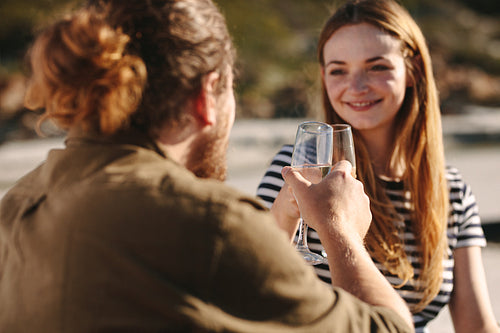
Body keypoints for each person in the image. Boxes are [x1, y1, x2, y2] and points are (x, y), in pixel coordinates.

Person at [0, 0, 415, 332]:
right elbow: (389, 328)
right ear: (207, 96)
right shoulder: (210, 222)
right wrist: (342, 230)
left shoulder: (17, 204)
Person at [257, 0, 499, 332]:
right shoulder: (297, 169)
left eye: (376, 67)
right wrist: (285, 217)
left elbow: (477, 326)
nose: (356, 87)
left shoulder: (452, 191)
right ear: (324, 78)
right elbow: (251, 288)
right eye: (338, 70)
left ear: (412, 70)